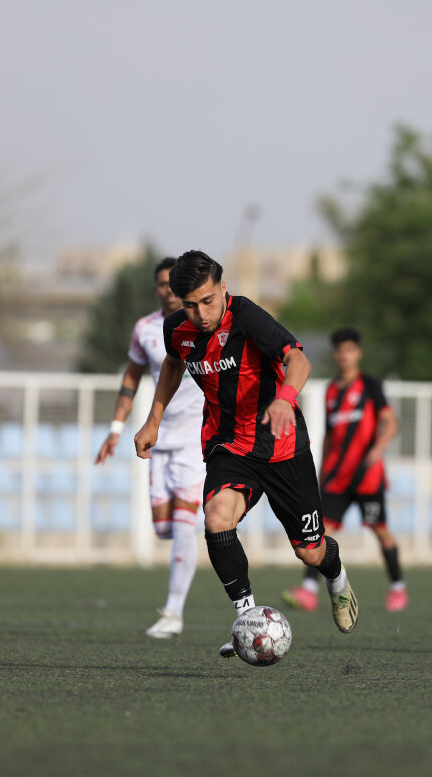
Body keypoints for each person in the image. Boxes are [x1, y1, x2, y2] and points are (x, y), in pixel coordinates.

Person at [132, 250, 358, 659]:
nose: (201, 314)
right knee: (217, 517)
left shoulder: (247, 316)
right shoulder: (176, 329)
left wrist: (285, 399)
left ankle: (337, 578)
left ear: (223, 288)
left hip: (282, 446)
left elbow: (298, 360)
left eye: (208, 301)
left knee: (309, 551)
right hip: (229, 445)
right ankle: (248, 620)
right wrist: (153, 421)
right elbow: (173, 364)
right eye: (190, 305)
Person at [95, 256, 205, 638]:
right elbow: (132, 377)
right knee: (164, 528)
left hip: (196, 440)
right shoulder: (145, 329)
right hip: (159, 439)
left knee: (185, 524)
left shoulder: (202, 323)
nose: (168, 290)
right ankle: (194, 527)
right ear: (156, 288)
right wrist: (115, 429)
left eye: (173, 284)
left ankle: (173, 612)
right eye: (161, 284)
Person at [283, 327, 405, 613]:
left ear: (357, 353)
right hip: (337, 477)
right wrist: (322, 471)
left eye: (349, 350)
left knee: (380, 530)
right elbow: (329, 434)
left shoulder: (370, 385)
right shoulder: (331, 391)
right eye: (339, 351)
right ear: (334, 354)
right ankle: (309, 591)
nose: (344, 356)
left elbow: (391, 422)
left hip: (366, 476)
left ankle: (397, 588)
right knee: (319, 533)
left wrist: (377, 449)